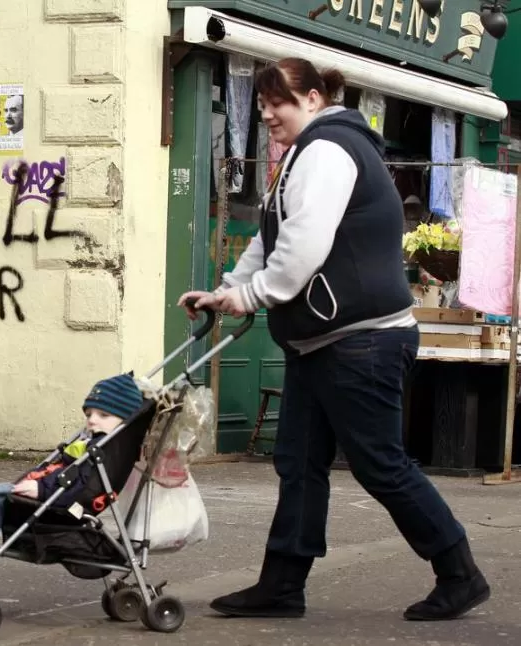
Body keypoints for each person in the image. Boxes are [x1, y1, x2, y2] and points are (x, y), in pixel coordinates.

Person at [178, 57, 489, 622]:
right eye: (264, 103)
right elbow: (272, 238)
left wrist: (249, 297)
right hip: (323, 342)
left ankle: (460, 572)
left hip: (362, 342)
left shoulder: (326, 151)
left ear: (315, 99)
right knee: (298, 462)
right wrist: (227, 290)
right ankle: (281, 584)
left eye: (280, 102)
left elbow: (302, 248)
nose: (268, 113)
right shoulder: (302, 154)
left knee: (380, 464)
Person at [0, 373, 143, 601]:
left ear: (124, 421)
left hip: (53, 502)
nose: (92, 420)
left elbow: (81, 486)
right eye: (89, 414)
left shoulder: (104, 450)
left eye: (103, 415)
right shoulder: (94, 444)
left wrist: (41, 489)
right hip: (47, 495)